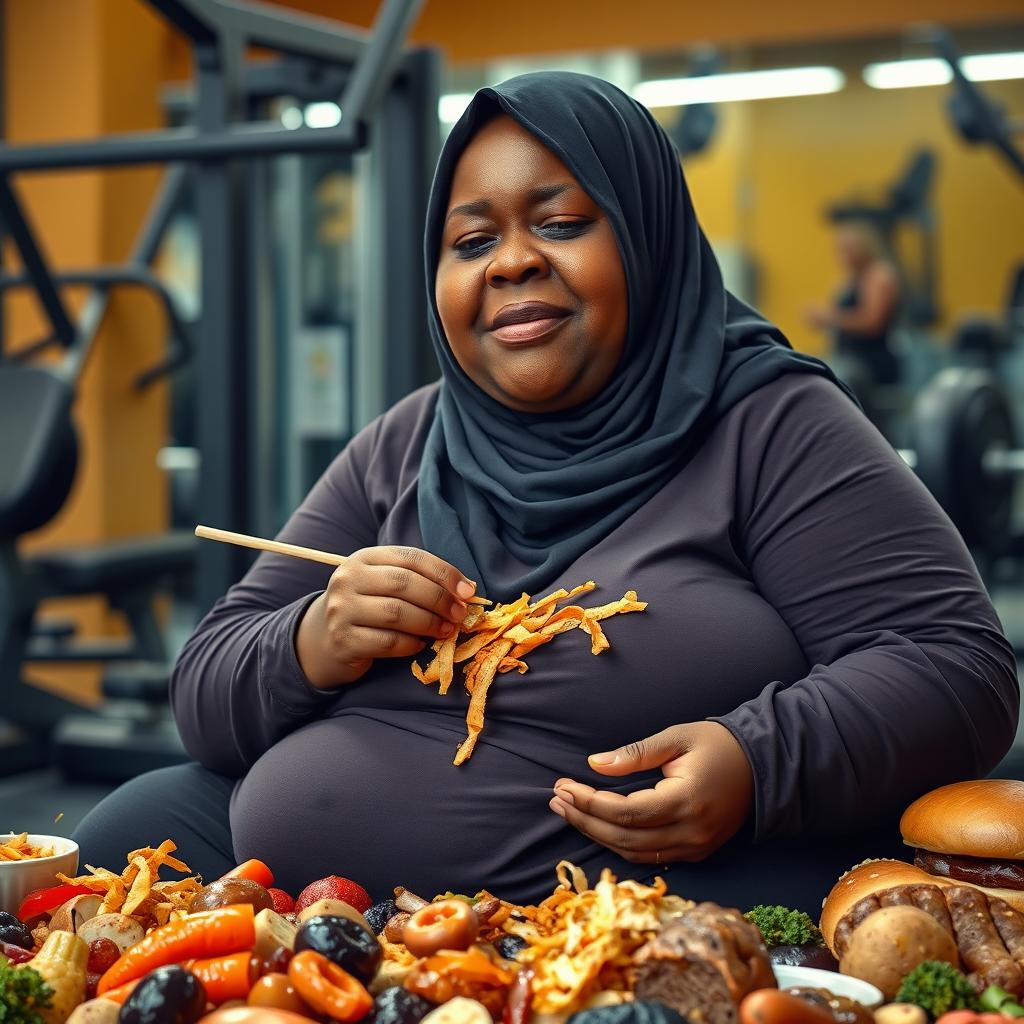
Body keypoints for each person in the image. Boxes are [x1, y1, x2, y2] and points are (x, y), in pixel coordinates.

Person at [73, 72, 1018, 914]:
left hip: (632, 900)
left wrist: (758, 762)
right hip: (328, 905)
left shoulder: (768, 422)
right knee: (127, 831)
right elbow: (204, 690)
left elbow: (957, 666)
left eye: (561, 223)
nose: (511, 261)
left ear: (646, 238)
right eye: (471, 239)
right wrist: (312, 638)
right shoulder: (409, 442)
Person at [805, 222, 902, 388]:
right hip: (849, 359)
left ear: (865, 247)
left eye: (849, 249)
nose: (843, 255)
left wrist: (830, 318)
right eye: (840, 250)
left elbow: (873, 323)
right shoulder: (850, 280)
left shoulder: (878, 275)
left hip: (870, 362)